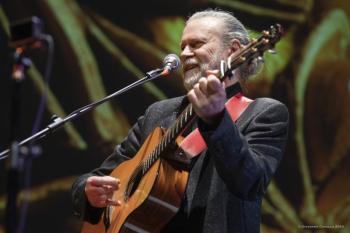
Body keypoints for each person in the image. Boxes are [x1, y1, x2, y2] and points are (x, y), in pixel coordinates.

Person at [71, 9, 289, 233]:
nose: (184, 53)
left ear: (233, 50)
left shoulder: (263, 113)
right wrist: (87, 191)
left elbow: (250, 183)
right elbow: (104, 175)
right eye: (182, 46)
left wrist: (216, 120)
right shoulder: (159, 113)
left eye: (196, 44)